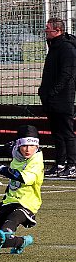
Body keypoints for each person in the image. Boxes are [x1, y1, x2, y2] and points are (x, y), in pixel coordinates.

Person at [0, 125, 44, 254]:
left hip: (27, 203)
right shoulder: (15, 151)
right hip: (9, 201)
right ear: (18, 146)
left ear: (37, 146)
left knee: (12, 221)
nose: (28, 149)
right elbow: (2, 150)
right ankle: (22, 241)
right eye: (24, 146)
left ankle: (7, 232)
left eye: (32, 146)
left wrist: (1, 169)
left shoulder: (36, 162)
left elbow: (22, 178)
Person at [38, 17, 76, 178]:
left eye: (48, 28)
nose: (46, 31)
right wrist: (44, 92)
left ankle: (72, 165)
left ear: (57, 30)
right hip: (51, 100)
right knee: (57, 133)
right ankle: (60, 164)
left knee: (66, 132)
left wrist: (53, 92)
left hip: (63, 99)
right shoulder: (54, 47)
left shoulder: (67, 48)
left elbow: (67, 74)